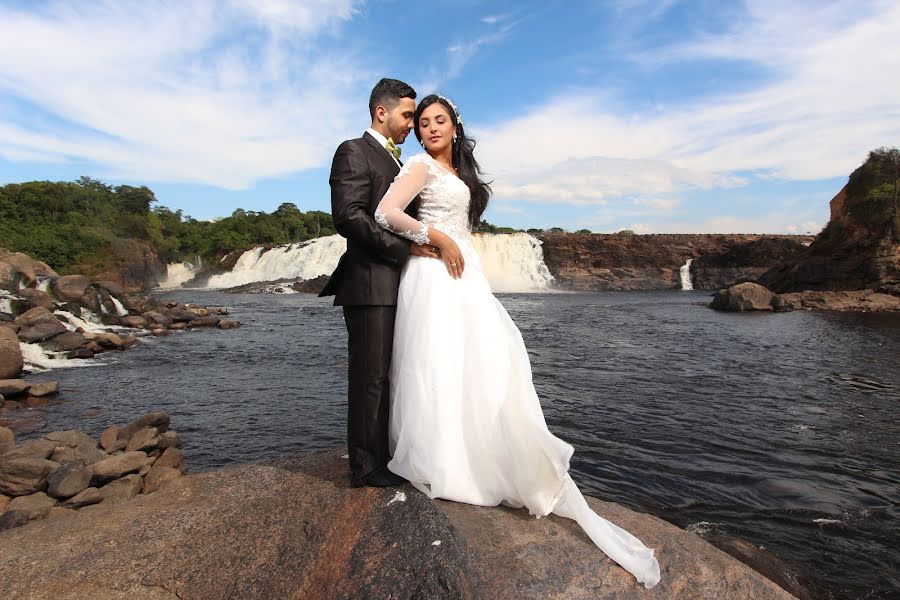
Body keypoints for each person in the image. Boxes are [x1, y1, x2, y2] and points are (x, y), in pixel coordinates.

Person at [373, 94, 661, 588]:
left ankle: (479, 454)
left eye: (439, 121)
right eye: (423, 124)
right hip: (432, 273)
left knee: (484, 362)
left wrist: (451, 241)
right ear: (417, 134)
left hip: (466, 272)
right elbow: (385, 211)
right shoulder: (419, 166)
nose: (431, 129)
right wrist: (434, 237)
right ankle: (443, 461)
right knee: (436, 363)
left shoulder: (461, 175)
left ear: (456, 127)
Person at [320, 78, 441, 488]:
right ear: (381, 112)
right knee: (370, 378)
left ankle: (385, 454)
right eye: (408, 115)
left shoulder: (397, 163)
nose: (413, 124)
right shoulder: (353, 151)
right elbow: (349, 216)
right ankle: (366, 467)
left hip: (399, 286)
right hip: (370, 284)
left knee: (392, 375)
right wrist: (405, 251)